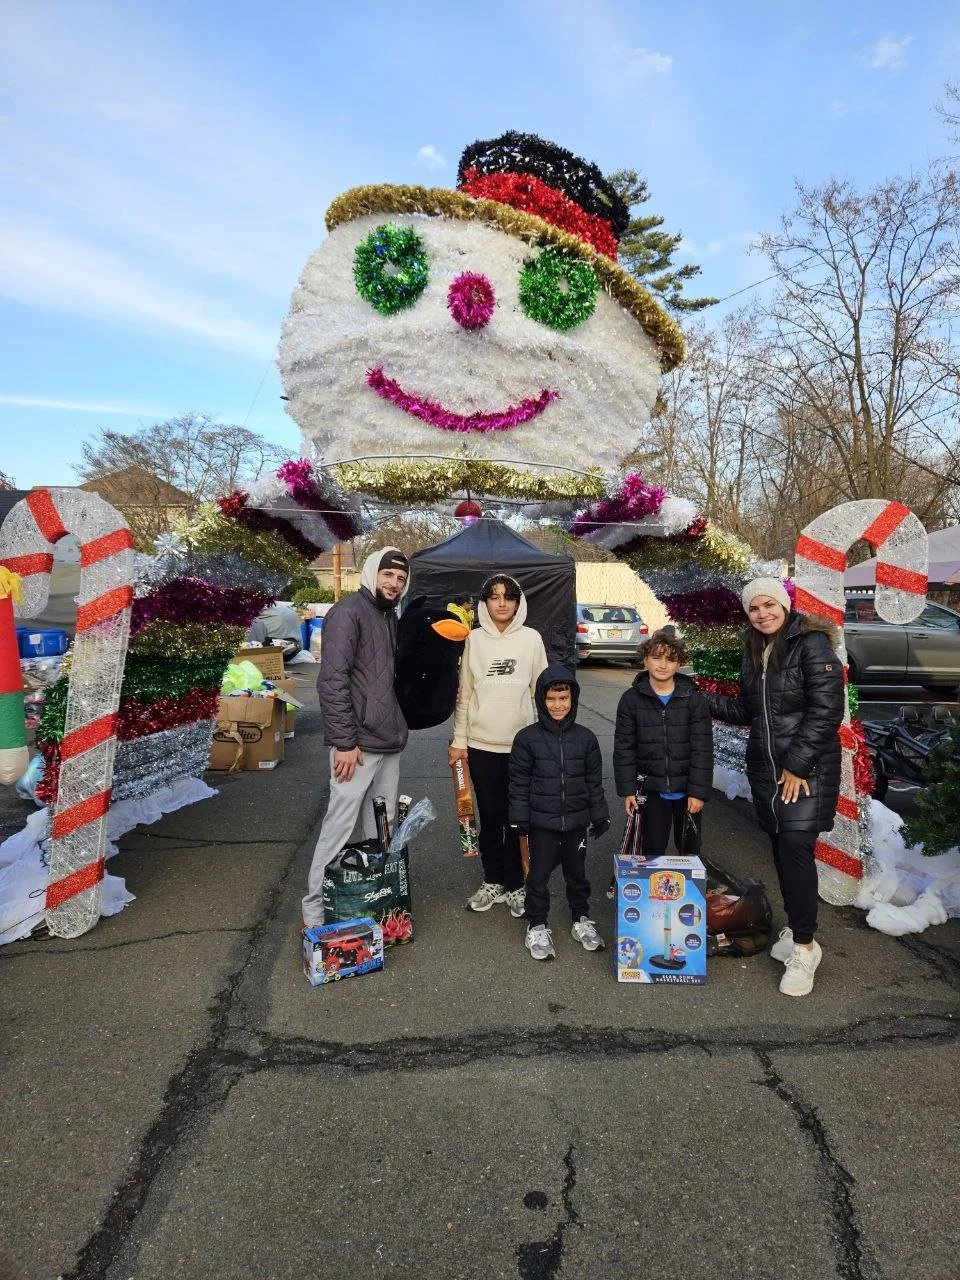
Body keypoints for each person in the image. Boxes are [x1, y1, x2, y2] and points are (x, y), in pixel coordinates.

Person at [706, 577, 845, 998]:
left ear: (784, 605)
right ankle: (798, 930)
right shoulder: (754, 649)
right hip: (767, 772)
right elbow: (749, 710)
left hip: (805, 769)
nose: (762, 613)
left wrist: (798, 765)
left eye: (769, 605)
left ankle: (804, 947)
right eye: (754, 608)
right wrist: (695, 697)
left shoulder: (811, 644)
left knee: (796, 848)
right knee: (782, 849)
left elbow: (827, 710)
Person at [301, 548, 410, 928]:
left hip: (388, 740)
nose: (393, 583)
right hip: (357, 746)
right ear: (372, 573)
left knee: (382, 826)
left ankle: (372, 901)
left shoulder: (389, 615)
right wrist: (345, 743)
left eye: (400, 579)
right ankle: (315, 911)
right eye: (387, 575)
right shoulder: (348, 612)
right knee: (339, 826)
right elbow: (332, 681)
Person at [448, 574, 548, 917]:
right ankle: (493, 880)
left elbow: (542, 692)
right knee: (490, 818)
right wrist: (459, 741)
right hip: (481, 746)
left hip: (523, 748)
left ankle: (517, 884)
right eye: (494, 597)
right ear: (485, 603)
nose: (502, 603)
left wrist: (546, 742)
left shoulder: (532, 639)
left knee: (518, 819)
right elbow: (465, 695)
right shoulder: (473, 640)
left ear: (518, 603)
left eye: (509, 597)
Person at [509, 667, 610, 960]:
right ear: (541, 700)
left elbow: (593, 781)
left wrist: (600, 814)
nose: (557, 705)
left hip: (576, 822)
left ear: (572, 698)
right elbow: (518, 782)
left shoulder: (586, 739)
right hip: (542, 822)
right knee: (538, 876)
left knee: (577, 874)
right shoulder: (527, 739)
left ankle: (581, 918)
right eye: (551, 699)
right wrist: (518, 817)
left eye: (563, 698)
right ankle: (537, 924)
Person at [613, 628, 714, 858]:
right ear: (645, 660)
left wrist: (698, 792)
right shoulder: (631, 700)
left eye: (671, 659)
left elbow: (703, 749)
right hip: (652, 790)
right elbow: (624, 748)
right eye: (656, 657)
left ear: (680, 664)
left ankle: (687, 882)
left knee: (689, 849)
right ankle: (653, 882)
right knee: (653, 849)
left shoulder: (694, 699)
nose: (663, 665)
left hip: (687, 791)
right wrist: (628, 790)